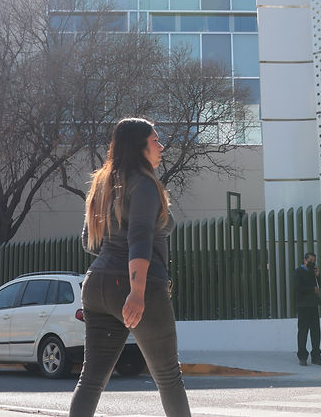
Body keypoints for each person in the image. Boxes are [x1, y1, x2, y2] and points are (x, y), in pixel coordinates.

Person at [70, 118, 190, 417]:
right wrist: (136, 292)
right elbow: (139, 239)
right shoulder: (144, 184)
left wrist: (114, 255)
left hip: (97, 284)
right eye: (155, 141)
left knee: (91, 379)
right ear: (140, 146)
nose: (161, 147)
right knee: (168, 376)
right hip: (137, 286)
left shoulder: (103, 184)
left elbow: (88, 241)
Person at [294, 252, 321, 366]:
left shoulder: (313, 272)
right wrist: (312, 289)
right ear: (305, 260)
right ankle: (302, 356)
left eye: (314, 261)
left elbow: (319, 286)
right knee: (303, 331)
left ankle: (316, 356)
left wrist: (318, 275)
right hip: (303, 305)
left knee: (316, 331)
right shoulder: (298, 271)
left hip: (313, 305)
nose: (312, 263)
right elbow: (298, 287)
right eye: (310, 260)